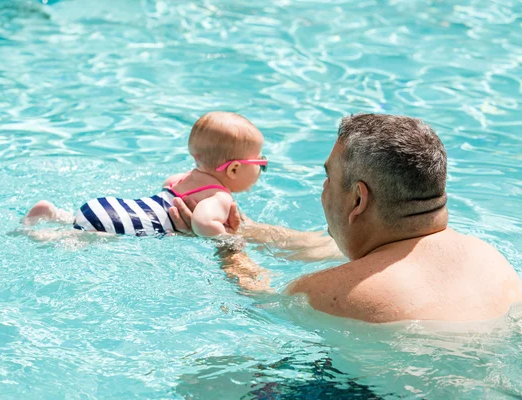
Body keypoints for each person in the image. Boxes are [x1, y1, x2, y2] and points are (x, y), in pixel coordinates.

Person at [169, 113, 522, 323]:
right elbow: (324, 246)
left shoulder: (327, 292)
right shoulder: (491, 259)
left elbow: (259, 301)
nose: (322, 190)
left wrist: (227, 247)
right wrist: (246, 230)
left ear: (358, 199)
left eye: (328, 178)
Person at [22, 111, 268, 238]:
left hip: (109, 206)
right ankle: (46, 236)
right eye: (260, 162)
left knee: (81, 221)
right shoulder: (220, 198)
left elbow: (167, 188)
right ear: (235, 169)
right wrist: (227, 239)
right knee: (86, 240)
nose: (262, 167)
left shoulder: (180, 179)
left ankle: (55, 214)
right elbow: (203, 223)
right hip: (118, 224)